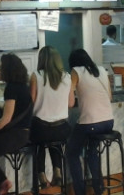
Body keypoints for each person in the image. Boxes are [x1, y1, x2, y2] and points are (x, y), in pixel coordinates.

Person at [66, 49, 114, 195]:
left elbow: (69, 102)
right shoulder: (101, 70)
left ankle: (80, 192)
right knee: (92, 152)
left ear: (73, 63)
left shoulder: (75, 71)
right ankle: (98, 189)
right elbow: (110, 97)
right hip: (108, 122)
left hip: (90, 123)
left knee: (72, 152)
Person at [0, 53, 33, 195]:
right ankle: (3, 181)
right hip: (22, 134)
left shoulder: (11, 88)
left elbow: (6, 119)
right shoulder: (21, 86)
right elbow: (13, 111)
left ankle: (1, 183)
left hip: (16, 135)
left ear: (7, 69)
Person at [29, 46, 74, 189]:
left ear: (41, 59)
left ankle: (41, 175)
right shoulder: (67, 77)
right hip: (62, 129)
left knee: (39, 141)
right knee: (55, 141)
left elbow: (31, 103)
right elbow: (71, 103)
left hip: (40, 129)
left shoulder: (36, 76)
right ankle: (57, 171)